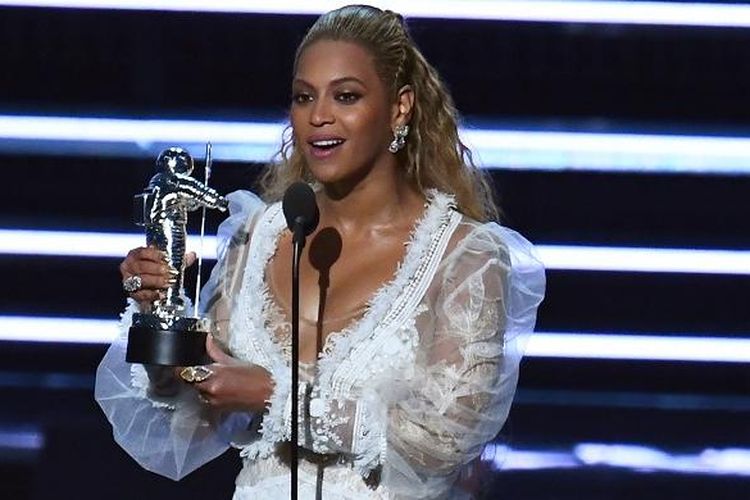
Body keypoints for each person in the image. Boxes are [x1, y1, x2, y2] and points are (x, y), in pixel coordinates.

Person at [95, 5, 545, 499]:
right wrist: (158, 319)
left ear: (400, 107)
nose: (319, 116)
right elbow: (191, 420)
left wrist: (277, 398)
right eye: (303, 97)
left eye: (346, 96)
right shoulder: (256, 238)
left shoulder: (465, 258)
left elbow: (443, 442)